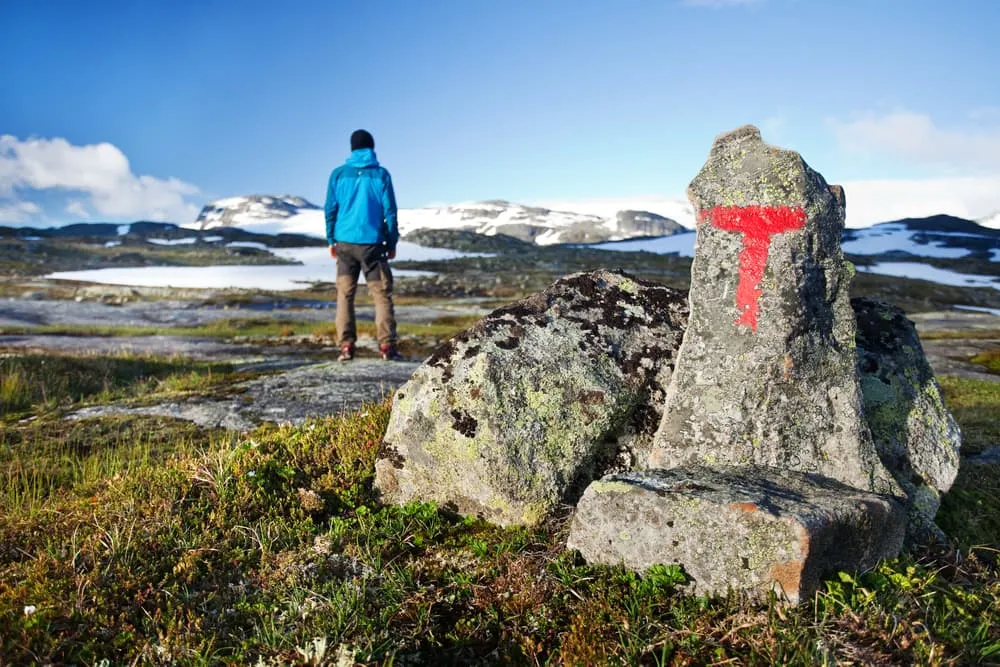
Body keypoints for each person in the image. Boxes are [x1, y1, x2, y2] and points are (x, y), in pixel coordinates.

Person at [324, 129, 401, 361]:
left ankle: (346, 346)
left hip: (345, 244)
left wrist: (331, 239)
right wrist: (392, 241)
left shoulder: (338, 174)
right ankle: (386, 347)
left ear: (352, 148)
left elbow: (330, 209)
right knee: (381, 295)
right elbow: (390, 211)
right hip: (373, 245)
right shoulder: (381, 175)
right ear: (372, 147)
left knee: (345, 295)